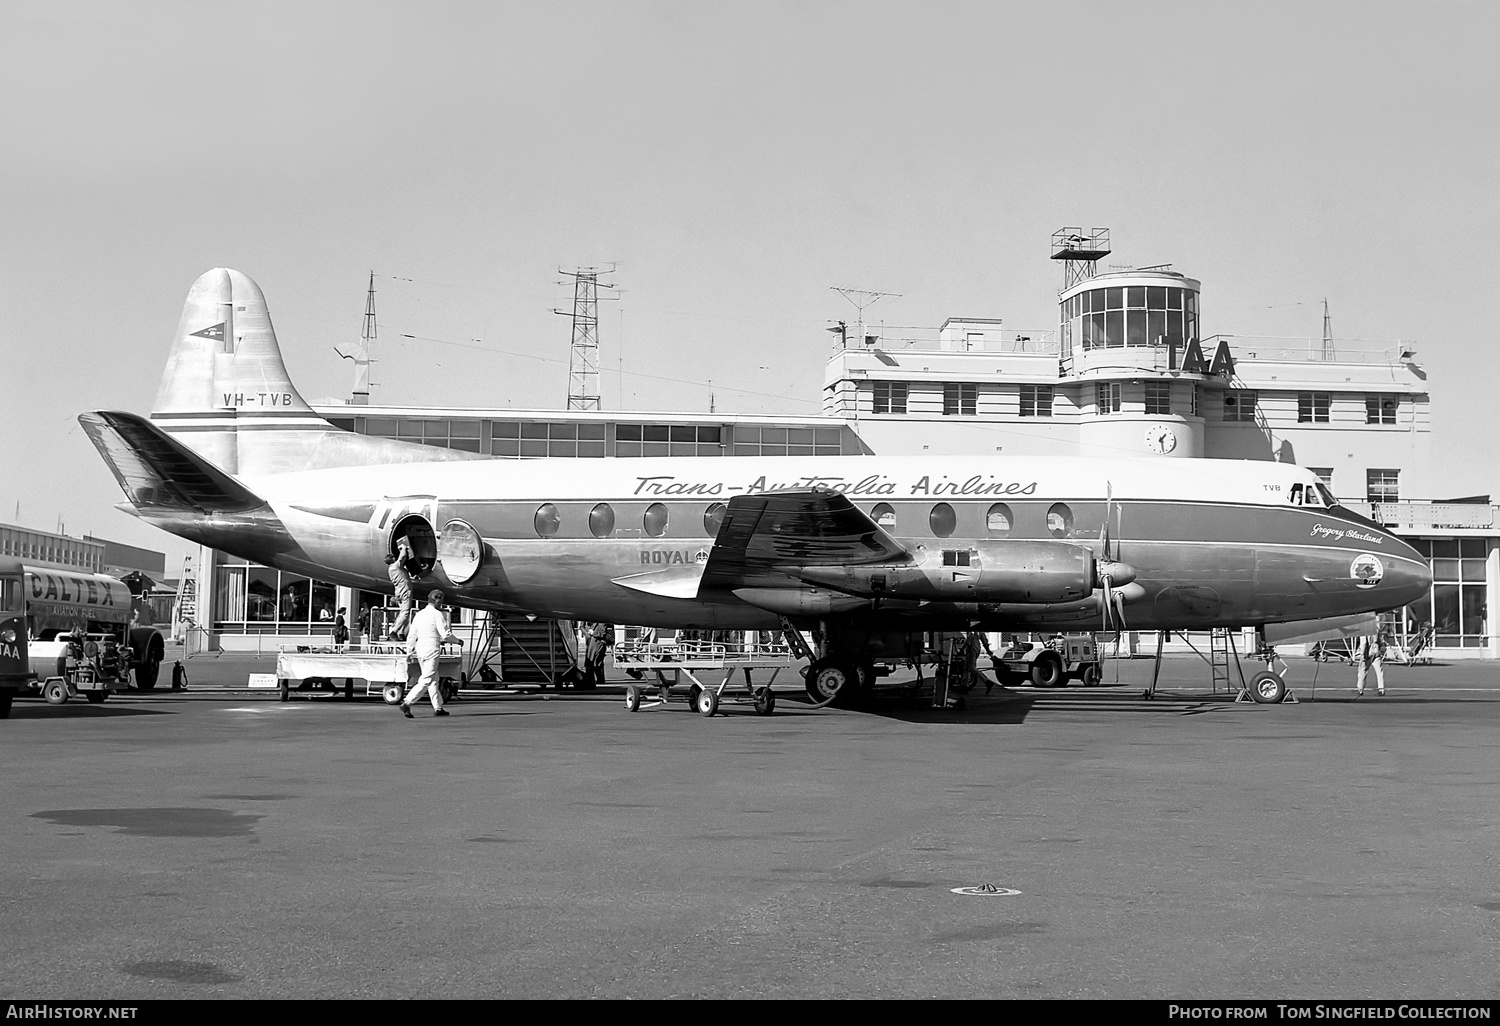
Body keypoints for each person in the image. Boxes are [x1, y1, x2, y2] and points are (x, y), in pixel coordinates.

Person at [400, 590, 456, 718]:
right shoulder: (437, 615)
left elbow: (412, 635)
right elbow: (445, 634)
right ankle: (407, 702)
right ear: (438, 599)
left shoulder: (419, 615)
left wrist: (409, 651)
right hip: (432, 648)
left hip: (421, 648)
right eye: (441, 600)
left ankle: (438, 707)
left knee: (433, 679)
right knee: (427, 679)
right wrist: (457, 641)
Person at [386, 550, 415, 639]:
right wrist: (403, 547)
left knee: (403, 612)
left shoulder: (391, 569)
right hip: (404, 591)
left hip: (398, 592)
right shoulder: (395, 566)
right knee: (405, 612)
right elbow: (402, 557)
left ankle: (401, 632)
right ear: (392, 559)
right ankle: (394, 630)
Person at [1355, 629, 1388, 697]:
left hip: (1368, 652)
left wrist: (1363, 655)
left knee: (1362, 671)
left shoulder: (1363, 631)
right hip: (1376, 651)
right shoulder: (1376, 629)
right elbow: (1380, 641)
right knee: (1379, 671)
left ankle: (1360, 688)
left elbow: (1363, 643)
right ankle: (1381, 688)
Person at [583, 621, 614, 689]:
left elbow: (602, 634)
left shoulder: (602, 623)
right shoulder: (597, 624)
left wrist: (593, 633)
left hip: (598, 643)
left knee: (597, 662)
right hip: (594, 643)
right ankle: (596, 679)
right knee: (594, 662)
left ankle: (597, 680)